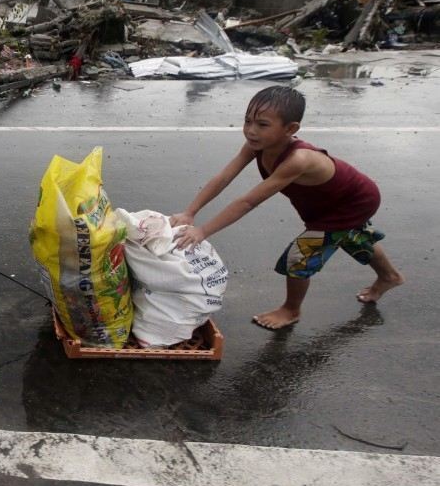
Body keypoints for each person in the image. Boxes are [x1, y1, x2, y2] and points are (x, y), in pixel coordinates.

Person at [171, 85, 403, 330]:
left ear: (290, 129)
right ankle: (390, 276)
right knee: (350, 236)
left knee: (299, 256)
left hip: (351, 203)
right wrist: (190, 212)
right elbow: (224, 177)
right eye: (247, 121)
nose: (251, 131)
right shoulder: (256, 145)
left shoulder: (298, 160)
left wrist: (203, 231)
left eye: (262, 124)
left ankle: (291, 310)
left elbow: (248, 201)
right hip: (326, 203)